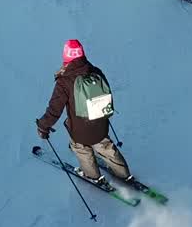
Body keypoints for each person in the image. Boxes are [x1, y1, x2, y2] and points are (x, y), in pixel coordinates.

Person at [36, 40, 132, 184]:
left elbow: (54, 109)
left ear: (66, 57)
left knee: (81, 148)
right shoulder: (96, 71)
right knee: (105, 146)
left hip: (79, 129)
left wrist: (43, 126)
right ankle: (123, 173)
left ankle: (92, 176)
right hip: (100, 124)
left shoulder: (64, 81)